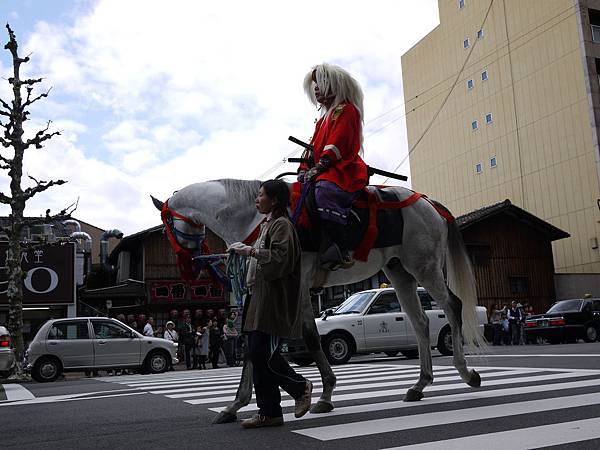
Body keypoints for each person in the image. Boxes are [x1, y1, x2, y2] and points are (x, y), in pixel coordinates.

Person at [227, 179, 313, 428]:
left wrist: (250, 252)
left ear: (274, 200)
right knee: (257, 353)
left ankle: (299, 387)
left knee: (263, 352)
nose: (257, 199)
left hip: (273, 300)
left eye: (261, 195)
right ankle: (270, 412)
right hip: (259, 298)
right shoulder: (268, 225)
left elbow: (281, 260)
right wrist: (242, 253)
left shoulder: (282, 226)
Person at [298, 63, 368, 271]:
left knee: (325, 190)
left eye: (321, 83)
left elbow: (340, 140)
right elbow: (312, 147)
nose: (316, 88)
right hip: (322, 169)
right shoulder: (322, 120)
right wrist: (304, 167)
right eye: (315, 85)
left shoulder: (347, 110)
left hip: (343, 168)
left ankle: (337, 246)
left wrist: (322, 164)